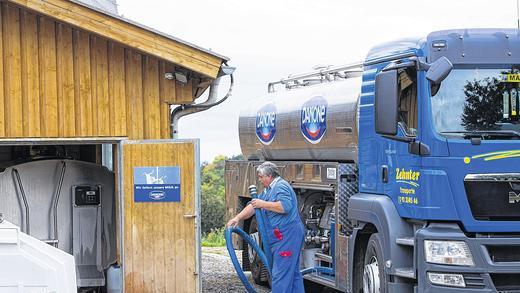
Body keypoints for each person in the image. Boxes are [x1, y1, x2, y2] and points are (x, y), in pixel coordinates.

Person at [227, 161, 305, 293]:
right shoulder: (269, 190)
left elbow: (285, 206)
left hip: (287, 235)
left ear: (269, 176)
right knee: (292, 273)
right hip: (281, 237)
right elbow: (253, 206)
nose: (259, 179)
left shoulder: (281, 187)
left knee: (280, 274)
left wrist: (263, 204)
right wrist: (237, 218)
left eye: (260, 177)